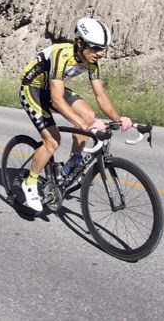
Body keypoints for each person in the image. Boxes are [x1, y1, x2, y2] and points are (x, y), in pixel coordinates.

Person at [18, 17, 132, 212]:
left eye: (103, 48)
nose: (100, 53)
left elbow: (100, 94)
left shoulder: (92, 61)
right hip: (33, 88)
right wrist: (83, 125)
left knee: (89, 115)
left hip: (52, 87)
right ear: (80, 43)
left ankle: (71, 166)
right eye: (96, 48)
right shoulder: (62, 54)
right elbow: (57, 100)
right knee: (53, 141)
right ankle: (30, 182)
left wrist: (117, 118)